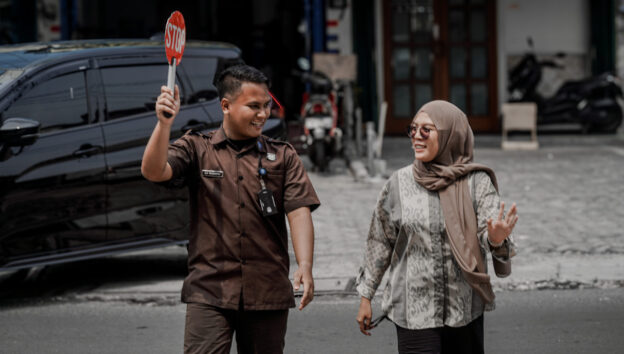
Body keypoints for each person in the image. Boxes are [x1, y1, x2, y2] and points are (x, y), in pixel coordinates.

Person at [141, 64, 320, 354]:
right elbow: (154, 171)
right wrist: (163, 124)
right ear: (226, 105)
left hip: (267, 289)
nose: (263, 114)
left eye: (266, 106)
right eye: (253, 106)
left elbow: (299, 212)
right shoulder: (197, 147)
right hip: (209, 289)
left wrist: (306, 266)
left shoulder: (283, 155)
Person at [355, 100, 518, 354]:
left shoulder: (476, 182)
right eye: (413, 129)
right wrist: (366, 296)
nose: (416, 137)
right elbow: (379, 241)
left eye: (426, 130)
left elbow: (491, 232)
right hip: (413, 310)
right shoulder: (398, 184)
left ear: (450, 134)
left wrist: (496, 238)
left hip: (464, 308)